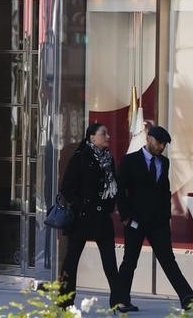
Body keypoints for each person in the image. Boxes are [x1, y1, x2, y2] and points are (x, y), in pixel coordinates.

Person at [115, 125, 193, 312]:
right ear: (149, 138)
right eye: (159, 142)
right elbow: (120, 190)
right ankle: (121, 300)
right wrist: (125, 217)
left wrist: (167, 216)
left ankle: (186, 297)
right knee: (130, 261)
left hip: (158, 222)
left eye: (164, 144)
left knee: (168, 259)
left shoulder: (163, 163)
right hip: (135, 220)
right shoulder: (129, 161)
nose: (161, 147)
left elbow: (164, 191)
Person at [58, 123, 119, 309]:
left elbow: (113, 185)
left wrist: (109, 205)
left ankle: (118, 301)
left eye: (107, 133)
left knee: (110, 262)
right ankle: (64, 301)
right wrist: (82, 205)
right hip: (82, 218)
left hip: (102, 218)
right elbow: (66, 189)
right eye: (103, 133)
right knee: (71, 261)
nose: (107, 136)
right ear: (92, 137)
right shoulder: (80, 157)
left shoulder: (108, 158)